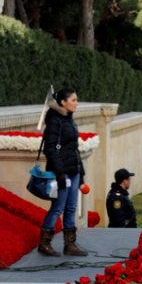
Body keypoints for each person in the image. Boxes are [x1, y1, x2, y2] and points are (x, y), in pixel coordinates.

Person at [38, 88, 88, 257]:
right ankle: (44, 244)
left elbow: (74, 148)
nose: (77, 103)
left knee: (72, 207)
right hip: (60, 173)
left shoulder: (69, 118)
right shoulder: (54, 120)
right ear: (63, 102)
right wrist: (59, 173)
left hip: (73, 170)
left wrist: (81, 171)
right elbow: (49, 149)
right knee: (58, 207)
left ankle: (70, 245)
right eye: (73, 100)